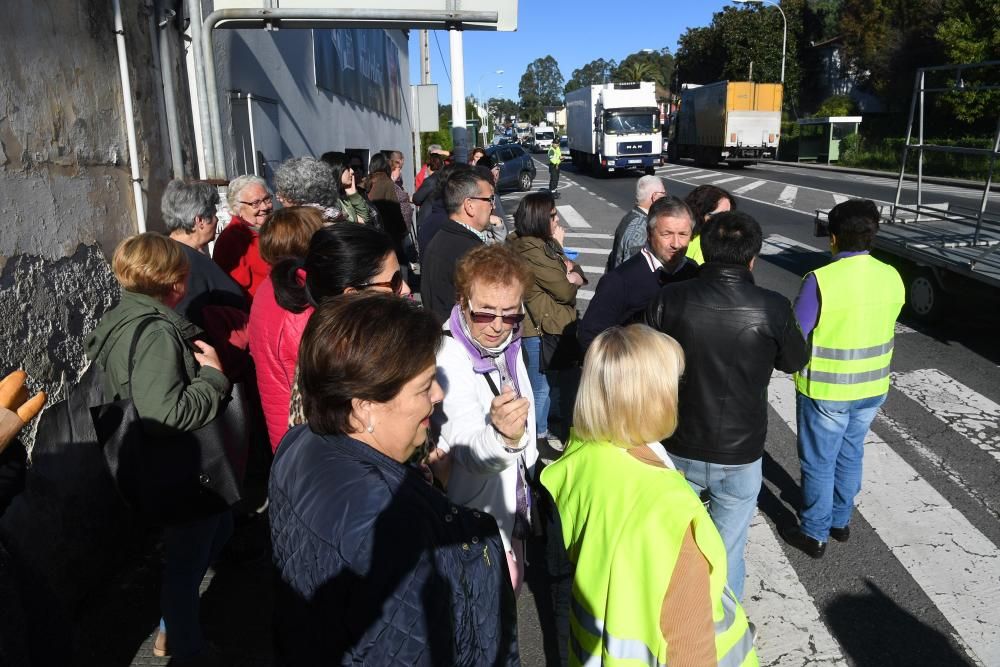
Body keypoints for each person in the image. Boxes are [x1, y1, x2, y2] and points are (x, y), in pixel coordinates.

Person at [269, 294, 518, 665]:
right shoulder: (389, 521)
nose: (438, 395)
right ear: (363, 406)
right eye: (424, 387)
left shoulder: (300, 442)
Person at [541, 325, 758, 667]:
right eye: (673, 383)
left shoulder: (576, 459)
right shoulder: (667, 505)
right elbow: (689, 649)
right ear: (653, 397)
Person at [645, 211, 809, 600]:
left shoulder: (669, 298)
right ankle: (724, 629)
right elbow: (794, 361)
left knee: (676, 543)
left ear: (703, 250)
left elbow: (644, 364)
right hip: (741, 450)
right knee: (728, 549)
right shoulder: (772, 306)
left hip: (676, 441)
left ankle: (676, 623)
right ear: (753, 257)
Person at [85, 233, 232, 665]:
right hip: (177, 464)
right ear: (176, 282)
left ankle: (175, 631)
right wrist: (213, 378)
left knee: (217, 529)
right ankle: (184, 649)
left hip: (160, 461)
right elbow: (165, 414)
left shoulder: (126, 314)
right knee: (187, 561)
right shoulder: (157, 334)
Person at [783, 199, 904, 558]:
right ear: (873, 235)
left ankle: (814, 532)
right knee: (851, 454)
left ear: (833, 237)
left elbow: (797, 332)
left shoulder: (821, 280)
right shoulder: (891, 275)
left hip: (826, 390)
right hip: (872, 387)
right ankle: (840, 522)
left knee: (819, 461)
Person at [433, 244, 538, 593]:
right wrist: (503, 438)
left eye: (510, 314)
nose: (497, 326)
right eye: (484, 313)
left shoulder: (508, 345)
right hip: (475, 521)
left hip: (511, 507)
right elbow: (466, 446)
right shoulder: (450, 357)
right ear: (462, 302)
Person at [252, 222, 405, 451]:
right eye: (393, 282)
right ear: (352, 295)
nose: (405, 289)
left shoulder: (334, 331)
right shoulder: (342, 359)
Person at [507, 192, 586, 443]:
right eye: (552, 215)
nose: (557, 219)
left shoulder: (540, 245)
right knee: (540, 389)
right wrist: (569, 273)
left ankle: (542, 431)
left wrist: (572, 273)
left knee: (549, 385)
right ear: (540, 218)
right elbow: (564, 290)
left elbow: (575, 273)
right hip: (541, 329)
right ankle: (537, 439)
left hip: (548, 324)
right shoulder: (532, 249)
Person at [579, 195, 699, 351]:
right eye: (667, 234)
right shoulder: (619, 281)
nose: (676, 244)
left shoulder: (693, 271)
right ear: (649, 234)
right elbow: (590, 338)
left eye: (683, 234)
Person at [160, 179, 246, 330]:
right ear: (199, 221)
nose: (217, 219)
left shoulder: (165, 250)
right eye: (213, 214)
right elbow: (189, 320)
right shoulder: (187, 263)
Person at [420, 168, 495, 322]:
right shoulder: (471, 252)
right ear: (469, 205)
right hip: (462, 340)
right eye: (490, 199)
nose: (492, 206)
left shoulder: (442, 237)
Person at [214, 174, 274, 302]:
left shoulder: (273, 228)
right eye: (255, 203)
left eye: (267, 199)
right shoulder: (231, 240)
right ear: (237, 209)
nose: (264, 207)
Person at [607, 175, 668, 270]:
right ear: (655, 196)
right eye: (664, 194)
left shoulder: (631, 216)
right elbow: (634, 269)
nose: (666, 198)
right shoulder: (641, 226)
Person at [273, 156, 345, 223]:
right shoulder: (336, 217)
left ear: (298, 198)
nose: (279, 199)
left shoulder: (299, 228)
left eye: (283, 194)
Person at [685, 184, 736, 265]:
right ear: (700, 213)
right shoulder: (706, 246)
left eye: (729, 214)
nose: (726, 220)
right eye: (719, 215)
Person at [320, 151, 374, 224]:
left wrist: (353, 195)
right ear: (336, 170)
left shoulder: (344, 196)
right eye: (347, 168)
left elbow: (365, 220)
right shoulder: (327, 201)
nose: (352, 171)